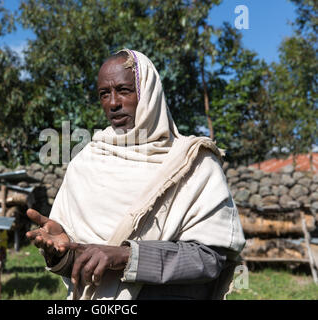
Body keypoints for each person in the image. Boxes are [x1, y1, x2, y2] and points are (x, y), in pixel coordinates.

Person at [26, 49, 246, 300]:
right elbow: (81, 266)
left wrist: (126, 256)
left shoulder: (193, 162)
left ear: (149, 92)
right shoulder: (86, 163)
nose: (113, 103)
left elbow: (209, 260)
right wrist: (62, 253)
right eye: (104, 94)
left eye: (124, 90)